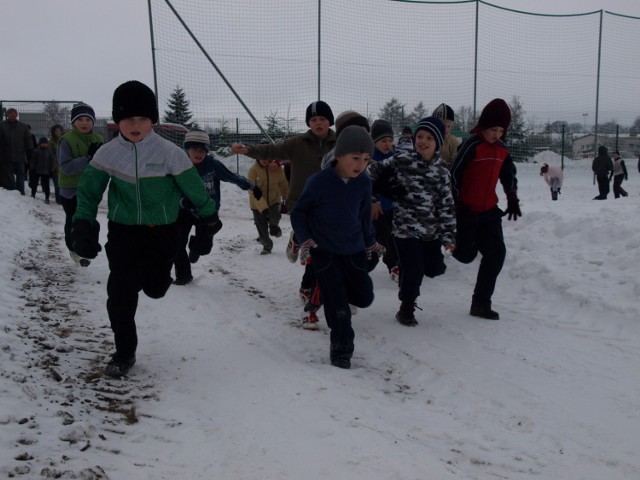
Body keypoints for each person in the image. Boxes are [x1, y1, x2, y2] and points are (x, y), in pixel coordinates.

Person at [70, 80, 218, 378]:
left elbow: (195, 190)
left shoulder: (170, 153)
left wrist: (208, 220)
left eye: (142, 118)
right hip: (123, 232)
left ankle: (149, 280)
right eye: (128, 118)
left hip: (163, 233)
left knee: (156, 288)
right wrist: (83, 225)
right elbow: (88, 193)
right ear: (117, 121)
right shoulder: (108, 154)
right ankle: (124, 352)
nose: (135, 124)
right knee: (120, 293)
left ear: (152, 120)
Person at [291, 126, 384, 368]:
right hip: (325, 250)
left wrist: (371, 243)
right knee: (338, 305)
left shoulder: (363, 183)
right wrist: (305, 239)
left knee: (364, 297)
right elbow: (299, 213)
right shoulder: (319, 182)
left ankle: (338, 292)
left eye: (365, 160)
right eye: (355, 158)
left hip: (353, 248)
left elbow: (364, 218)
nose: (360, 165)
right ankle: (341, 350)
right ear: (340, 155)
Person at [231, 101, 336, 306]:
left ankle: (305, 266)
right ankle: (306, 277)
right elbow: (273, 150)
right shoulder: (297, 143)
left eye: (322, 119)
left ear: (329, 121)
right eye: (313, 119)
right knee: (313, 245)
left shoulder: (340, 143)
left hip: (328, 204)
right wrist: (248, 150)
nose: (318, 123)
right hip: (301, 202)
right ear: (308, 123)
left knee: (321, 248)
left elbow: (361, 161)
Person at [369, 117, 456, 326]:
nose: (422, 141)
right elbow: (372, 172)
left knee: (435, 268)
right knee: (413, 267)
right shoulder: (401, 161)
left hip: (430, 231)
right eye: (419, 137)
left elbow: (446, 205)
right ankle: (406, 308)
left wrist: (448, 236)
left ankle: (419, 276)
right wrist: (373, 199)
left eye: (428, 138)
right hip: (404, 228)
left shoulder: (442, 171)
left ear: (437, 142)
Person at [449, 98, 520, 320]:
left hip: (489, 211)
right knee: (466, 255)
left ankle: (481, 303)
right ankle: (455, 247)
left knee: (497, 253)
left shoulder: (502, 150)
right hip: (466, 210)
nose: (496, 135)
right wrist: (455, 206)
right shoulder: (471, 145)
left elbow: (509, 174)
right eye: (492, 129)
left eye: (501, 130)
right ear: (483, 127)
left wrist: (512, 196)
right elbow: (454, 175)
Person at [173, 129, 262, 285]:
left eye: (202, 150)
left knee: (204, 248)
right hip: (184, 211)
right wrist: (182, 201)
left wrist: (252, 187)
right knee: (176, 244)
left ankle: (195, 249)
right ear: (187, 149)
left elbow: (233, 177)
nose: (199, 153)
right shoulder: (180, 166)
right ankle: (183, 275)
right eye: (195, 149)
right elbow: (170, 188)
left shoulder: (213, 165)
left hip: (207, 213)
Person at [58, 103, 103, 265]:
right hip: (70, 189)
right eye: (80, 120)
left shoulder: (98, 139)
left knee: (89, 219)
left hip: (90, 188)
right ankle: (74, 249)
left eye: (88, 119)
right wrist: (87, 159)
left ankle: (87, 246)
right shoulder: (67, 140)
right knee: (73, 219)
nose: (84, 123)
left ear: (93, 122)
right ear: (73, 123)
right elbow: (67, 167)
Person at [369, 119, 400, 281]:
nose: (388, 144)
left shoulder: (395, 158)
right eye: (383, 141)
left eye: (390, 140)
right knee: (381, 237)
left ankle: (393, 264)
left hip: (391, 207)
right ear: (374, 142)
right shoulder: (368, 159)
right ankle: (365, 264)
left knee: (393, 236)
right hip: (375, 208)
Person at [247, 153, 289, 255]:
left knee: (275, 216)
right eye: (262, 157)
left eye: (267, 157)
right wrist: (263, 207)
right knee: (261, 227)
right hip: (257, 204)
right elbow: (251, 191)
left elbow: (283, 184)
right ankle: (267, 245)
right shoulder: (253, 170)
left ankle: (274, 227)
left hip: (274, 201)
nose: (264, 160)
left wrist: (288, 198)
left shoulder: (277, 169)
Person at [0, 107, 34, 194]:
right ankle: (11, 191)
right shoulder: (2, 126)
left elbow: (28, 139)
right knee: (8, 174)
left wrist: (30, 150)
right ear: (7, 115)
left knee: (21, 174)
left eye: (14, 113)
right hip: (6, 155)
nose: (13, 115)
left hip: (20, 155)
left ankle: (20, 192)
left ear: (17, 115)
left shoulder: (23, 127)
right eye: (10, 113)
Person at [29, 137, 57, 203]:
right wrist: (32, 168)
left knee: (46, 185)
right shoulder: (36, 151)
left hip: (46, 172)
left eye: (45, 144)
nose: (44, 145)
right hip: (37, 170)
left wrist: (51, 170)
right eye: (42, 144)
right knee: (34, 184)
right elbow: (33, 160)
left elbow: (52, 162)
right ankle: (33, 194)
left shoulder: (49, 152)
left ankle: (47, 197)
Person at [49, 124, 64, 204]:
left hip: (64, 165)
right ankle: (58, 199)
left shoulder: (65, 140)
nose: (58, 132)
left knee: (63, 185)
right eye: (56, 131)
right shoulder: (51, 142)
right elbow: (50, 154)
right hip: (55, 166)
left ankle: (63, 199)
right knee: (57, 185)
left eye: (59, 131)